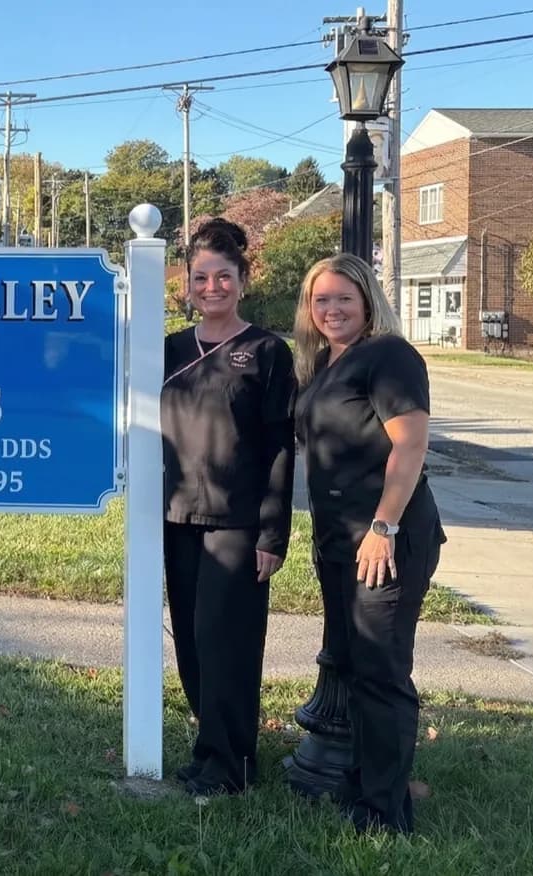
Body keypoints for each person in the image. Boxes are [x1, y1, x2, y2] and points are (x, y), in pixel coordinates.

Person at [293, 253, 445, 834]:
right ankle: (360, 785)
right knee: (355, 666)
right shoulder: (327, 362)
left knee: (380, 671)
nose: (331, 309)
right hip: (338, 540)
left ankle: (385, 812)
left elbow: (409, 448)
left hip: (386, 538)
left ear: (367, 302)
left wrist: (384, 527)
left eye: (342, 299)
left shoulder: (390, 356)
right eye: (320, 300)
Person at [161, 218, 296, 796]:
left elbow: (280, 448)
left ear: (243, 280)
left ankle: (231, 765)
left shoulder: (267, 352)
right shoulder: (167, 349)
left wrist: (272, 533)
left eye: (223, 276)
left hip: (238, 525)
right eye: (200, 278)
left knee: (228, 645)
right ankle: (211, 746)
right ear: (186, 285)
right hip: (175, 518)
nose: (211, 287)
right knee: (191, 643)